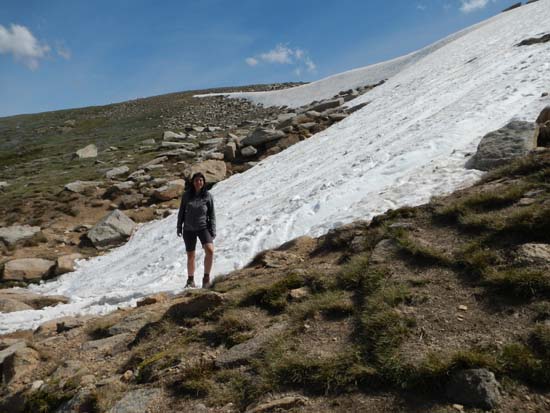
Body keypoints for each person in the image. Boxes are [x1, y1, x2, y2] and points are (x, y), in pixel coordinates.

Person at [176, 172, 216, 288]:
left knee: (210, 250)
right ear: (193, 182)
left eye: (201, 180)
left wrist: (213, 229)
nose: (198, 182)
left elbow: (212, 214)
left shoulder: (208, 196)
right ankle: (190, 280)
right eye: (196, 180)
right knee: (191, 255)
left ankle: (206, 278)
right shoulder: (186, 196)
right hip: (188, 229)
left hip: (203, 227)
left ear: (204, 182)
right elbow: (181, 212)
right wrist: (179, 226)